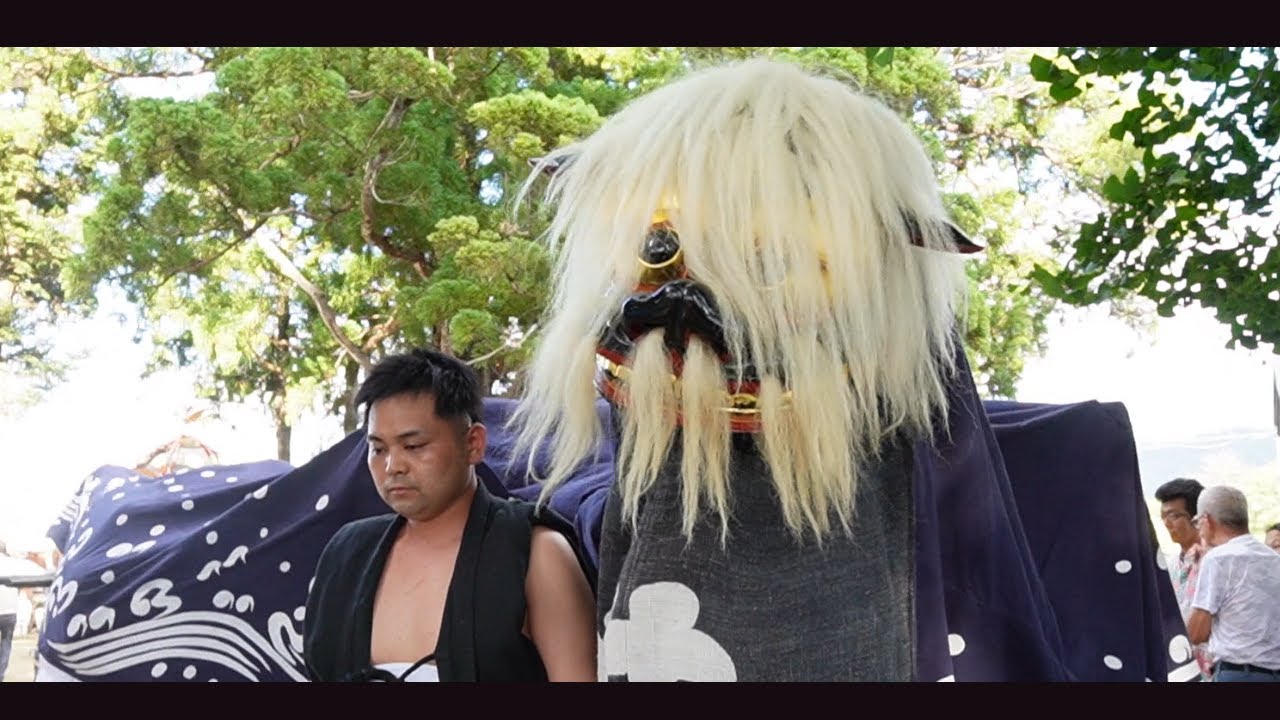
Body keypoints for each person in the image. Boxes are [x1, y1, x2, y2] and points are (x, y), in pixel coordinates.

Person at [508, 57, 1075, 681]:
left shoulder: (882, 374)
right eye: (658, 251)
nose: (692, 300)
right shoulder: (647, 407)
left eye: (770, 258)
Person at [303, 348, 597, 682]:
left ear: (473, 444)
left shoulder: (534, 550)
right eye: (378, 449)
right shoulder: (346, 554)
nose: (392, 466)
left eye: (413, 446)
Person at [1187, 485, 1280, 682]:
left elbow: (1197, 633)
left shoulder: (1218, 559)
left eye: (1197, 522)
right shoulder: (1274, 559)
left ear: (1207, 520)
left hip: (1236, 673)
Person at [1154, 477, 1213, 679]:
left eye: (1174, 516)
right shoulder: (1169, 565)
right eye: (1163, 517)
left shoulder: (1215, 561)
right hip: (1178, 665)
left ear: (1197, 518)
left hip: (1213, 663)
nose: (1167, 524)